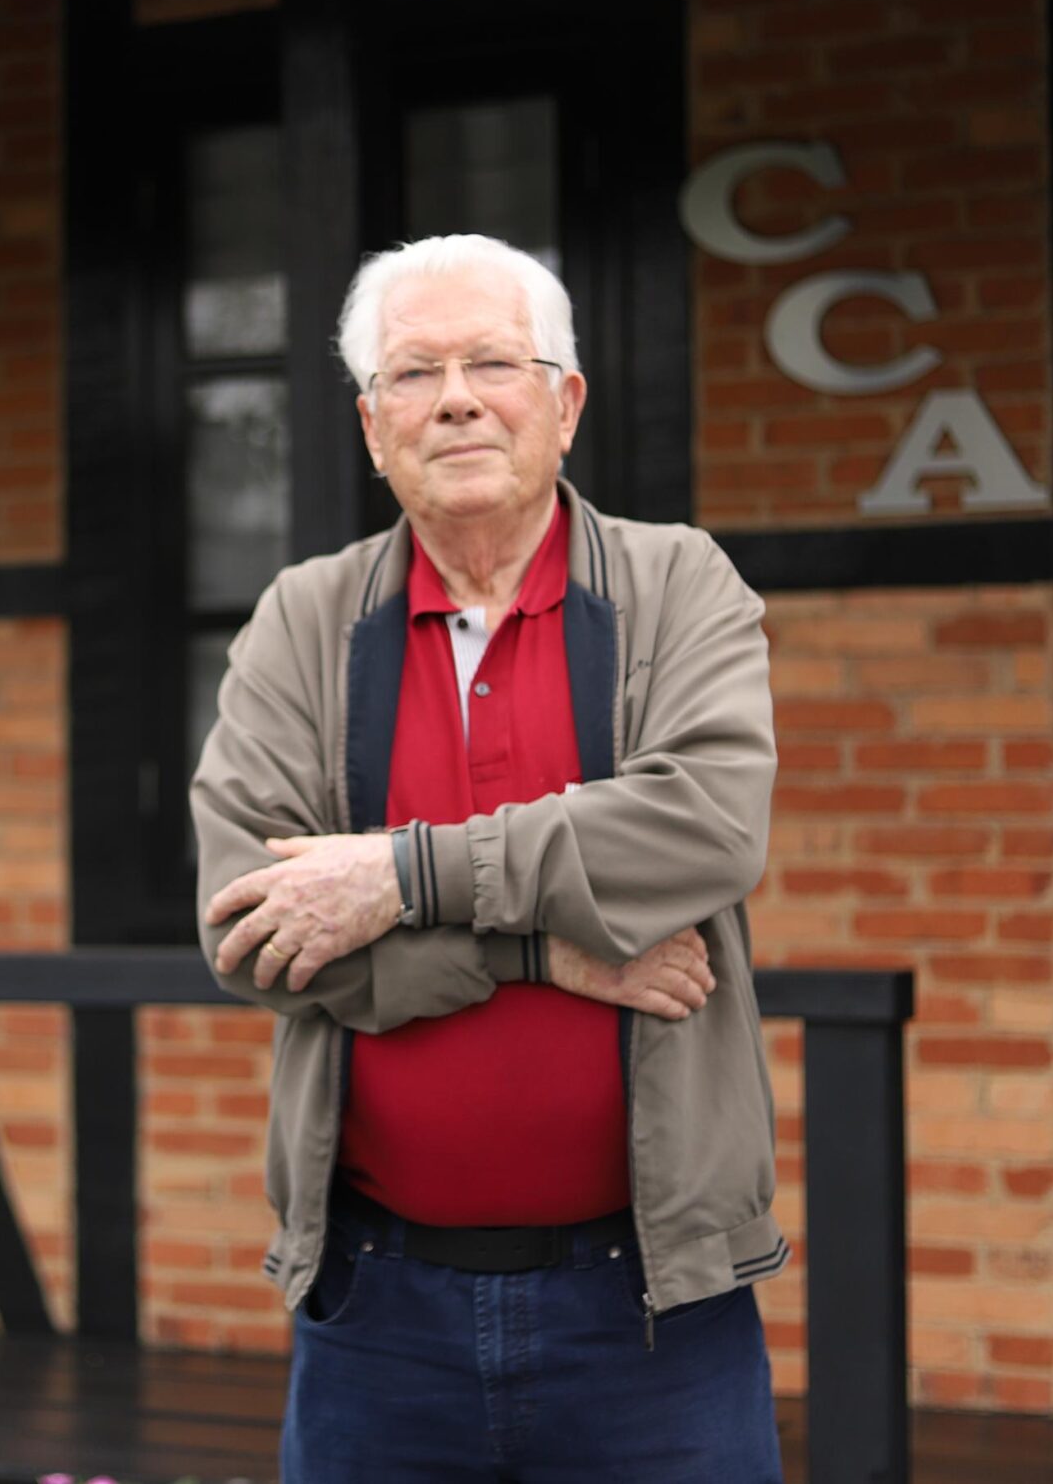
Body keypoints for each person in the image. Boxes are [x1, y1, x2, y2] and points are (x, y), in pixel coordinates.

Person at [191, 233, 785, 1482]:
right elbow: (246, 920)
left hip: (651, 1313)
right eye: (412, 374)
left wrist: (395, 879)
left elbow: (706, 827)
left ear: (562, 404)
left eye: (490, 363)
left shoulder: (679, 585)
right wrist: (533, 949)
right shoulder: (305, 619)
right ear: (370, 427)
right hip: (375, 1314)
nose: (454, 396)